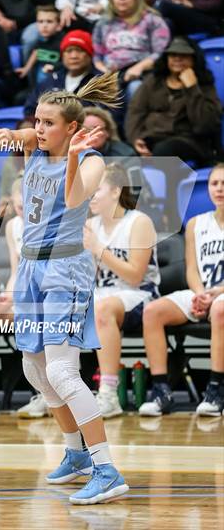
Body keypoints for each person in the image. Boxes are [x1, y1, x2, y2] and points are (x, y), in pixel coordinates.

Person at [0, 73, 129, 505]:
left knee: (63, 371)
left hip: (66, 269)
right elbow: (30, 132)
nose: (38, 128)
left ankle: (107, 469)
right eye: (37, 121)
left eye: (48, 123)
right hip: (31, 268)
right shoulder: (36, 143)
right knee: (35, 368)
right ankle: (76, 453)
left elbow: (71, 200)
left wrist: (73, 157)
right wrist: (16, 131)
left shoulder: (92, 161)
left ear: (72, 129)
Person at [140, 163, 224, 417]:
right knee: (152, 311)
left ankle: (216, 389)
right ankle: (161, 391)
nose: (219, 189)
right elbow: (192, 268)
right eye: (214, 183)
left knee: (220, 310)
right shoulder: (196, 224)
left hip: (220, 297)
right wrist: (200, 293)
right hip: (202, 292)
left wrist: (215, 294)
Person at [84, 164, 160, 418]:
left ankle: (108, 393)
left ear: (116, 192)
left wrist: (98, 249)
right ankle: (53, 392)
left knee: (102, 308)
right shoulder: (90, 225)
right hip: (102, 294)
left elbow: (135, 275)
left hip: (139, 294)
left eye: (97, 189)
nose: (90, 195)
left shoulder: (139, 221)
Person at [125, 36, 222, 166]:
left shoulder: (204, 85)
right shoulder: (153, 81)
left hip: (190, 142)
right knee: (123, 155)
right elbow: (136, 112)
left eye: (183, 55)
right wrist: (136, 138)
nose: (177, 58)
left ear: (194, 59)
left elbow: (205, 125)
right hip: (152, 138)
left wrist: (192, 88)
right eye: (173, 55)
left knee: (164, 151)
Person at [92, 0, 170, 103]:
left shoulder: (152, 20)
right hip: (109, 75)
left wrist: (139, 67)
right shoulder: (103, 23)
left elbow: (161, 53)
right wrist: (106, 74)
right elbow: (97, 56)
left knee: (135, 89)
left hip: (141, 75)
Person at [23, 29, 95, 118]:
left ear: (89, 54)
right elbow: (30, 110)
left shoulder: (100, 83)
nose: (74, 56)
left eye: (80, 50)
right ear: (62, 55)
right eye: (69, 51)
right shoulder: (51, 80)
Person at [15, 5, 63, 89]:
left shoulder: (62, 41)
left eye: (49, 21)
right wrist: (26, 68)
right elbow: (36, 53)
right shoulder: (39, 40)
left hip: (57, 79)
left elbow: (67, 62)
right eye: (40, 21)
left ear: (59, 25)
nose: (44, 26)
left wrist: (54, 67)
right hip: (41, 78)